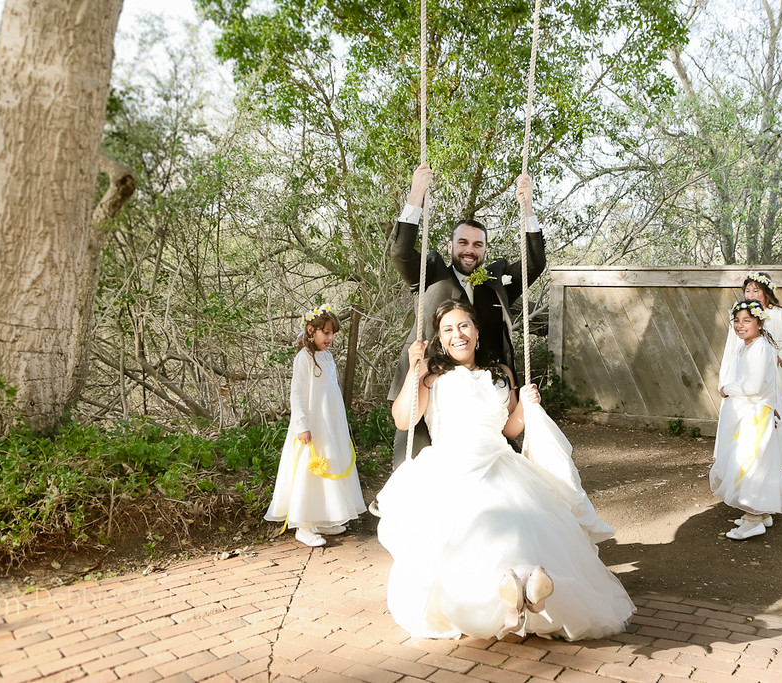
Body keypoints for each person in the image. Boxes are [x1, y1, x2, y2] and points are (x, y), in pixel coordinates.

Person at [376, 300, 635, 640]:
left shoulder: (500, 375)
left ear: (477, 331)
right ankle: (500, 595)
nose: (458, 335)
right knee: (471, 532)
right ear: (439, 338)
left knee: (523, 521)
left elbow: (509, 429)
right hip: (450, 466)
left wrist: (528, 406)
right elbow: (403, 420)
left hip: (499, 462)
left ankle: (525, 590)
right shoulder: (430, 377)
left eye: (464, 326)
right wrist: (413, 368)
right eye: (448, 330)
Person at [387, 164, 547, 469]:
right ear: (450, 246)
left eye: (477, 244)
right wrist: (417, 192)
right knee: (411, 464)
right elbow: (400, 253)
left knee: (503, 465)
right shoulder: (430, 273)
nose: (469, 250)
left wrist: (527, 206)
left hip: (486, 387)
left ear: (485, 250)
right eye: (462, 243)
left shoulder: (496, 284)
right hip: (433, 385)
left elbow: (534, 264)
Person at [265, 304, 366, 547]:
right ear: (312, 331)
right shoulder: (304, 358)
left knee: (328, 464)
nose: (330, 338)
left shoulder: (327, 357)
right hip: (312, 424)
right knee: (309, 469)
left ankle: (323, 518)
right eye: (326, 333)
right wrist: (301, 424)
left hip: (329, 423)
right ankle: (304, 524)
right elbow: (297, 393)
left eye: (333, 334)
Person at [711, 299, 782, 540]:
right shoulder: (747, 346)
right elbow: (765, 384)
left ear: (760, 323)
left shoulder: (760, 348)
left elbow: (755, 385)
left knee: (749, 464)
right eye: (737, 321)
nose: (740, 325)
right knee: (753, 462)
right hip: (748, 413)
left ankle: (752, 520)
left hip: (753, 417)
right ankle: (761, 513)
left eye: (747, 321)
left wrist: (728, 388)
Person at [719, 270, 782, 472]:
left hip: (766, 380)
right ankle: (741, 468)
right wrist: (723, 377)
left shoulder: (776, 315)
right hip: (739, 377)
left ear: (766, 293)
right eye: (747, 290)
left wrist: (781, 355)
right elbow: (729, 349)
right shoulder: (740, 315)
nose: (751, 294)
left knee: (767, 424)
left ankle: (770, 469)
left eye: (756, 290)